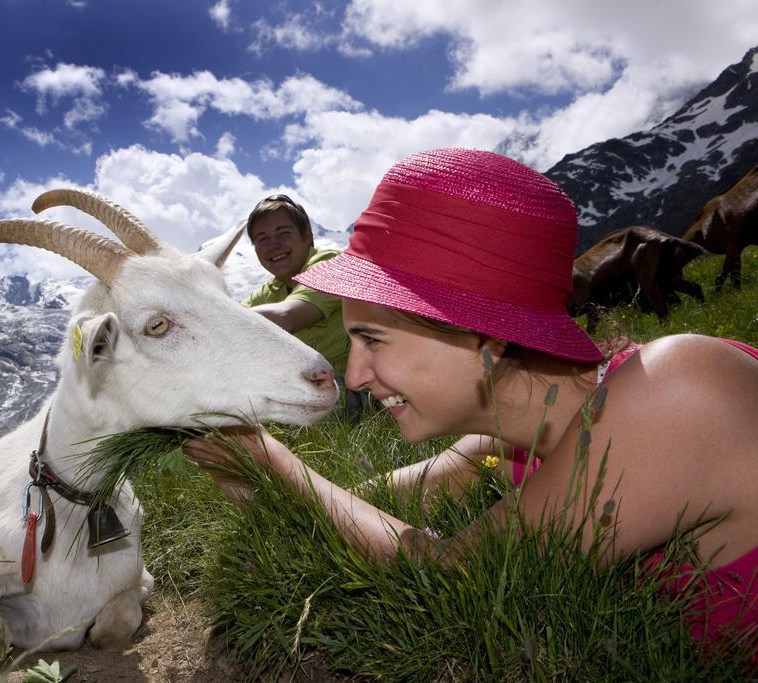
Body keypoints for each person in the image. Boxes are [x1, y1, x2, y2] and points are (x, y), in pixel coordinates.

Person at [188, 148, 758, 650]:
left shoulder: (678, 390)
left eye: (373, 340)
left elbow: (457, 576)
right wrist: (251, 476)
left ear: (484, 335)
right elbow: (358, 504)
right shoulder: (508, 440)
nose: (354, 376)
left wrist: (275, 461)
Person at [241, 194, 365, 418]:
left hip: (359, 391)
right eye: (262, 239)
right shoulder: (272, 289)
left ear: (307, 235)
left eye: (283, 234)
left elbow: (288, 315)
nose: (273, 245)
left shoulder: (330, 264)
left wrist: (215, 318)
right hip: (315, 389)